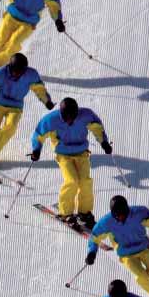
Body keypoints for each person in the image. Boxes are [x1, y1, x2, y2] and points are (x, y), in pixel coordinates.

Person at [29, 97, 111, 228]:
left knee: (85, 182)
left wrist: (104, 142)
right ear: (61, 113)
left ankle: (84, 213)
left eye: (72, 116)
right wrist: (36, 149)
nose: (70, 120)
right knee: (72, 181)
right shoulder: (51, 119)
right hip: (63, 154)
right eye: (66, 117)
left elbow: (97, 127)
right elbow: (39, 134)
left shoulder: (86, 115)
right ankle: (65, 213)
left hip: (82, 153)